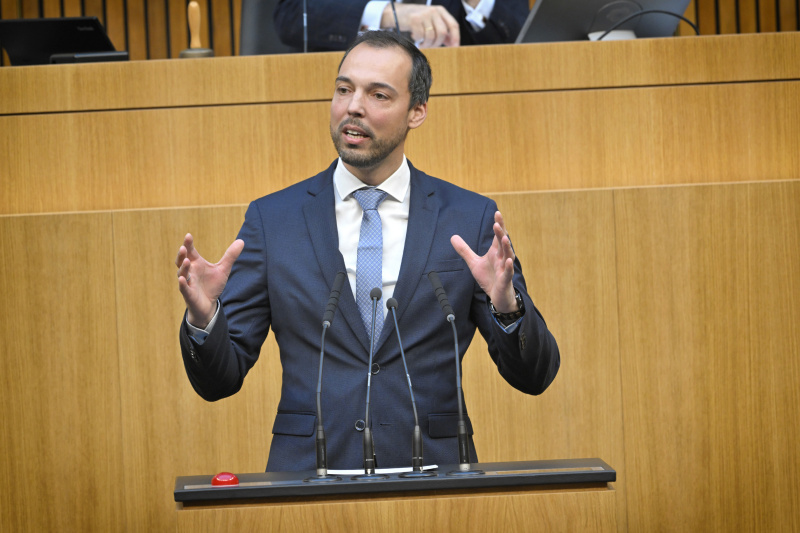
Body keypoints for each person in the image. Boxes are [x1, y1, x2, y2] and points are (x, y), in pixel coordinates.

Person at [175, 30, 558, 472]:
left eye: (378, 95)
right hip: (309, 477)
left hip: (436, 479)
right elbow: (218, 381)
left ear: (416, 111)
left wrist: (508, 308)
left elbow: (535, 376)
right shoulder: (273, 220)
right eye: (344, 89)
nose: (353, 106)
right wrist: (204, 318)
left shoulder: (468, 218)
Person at [273, 0, 529, 51]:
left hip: (458, 100)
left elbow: (518, 42)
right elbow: (292, 15)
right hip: (346, 94)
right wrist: (387, 14)